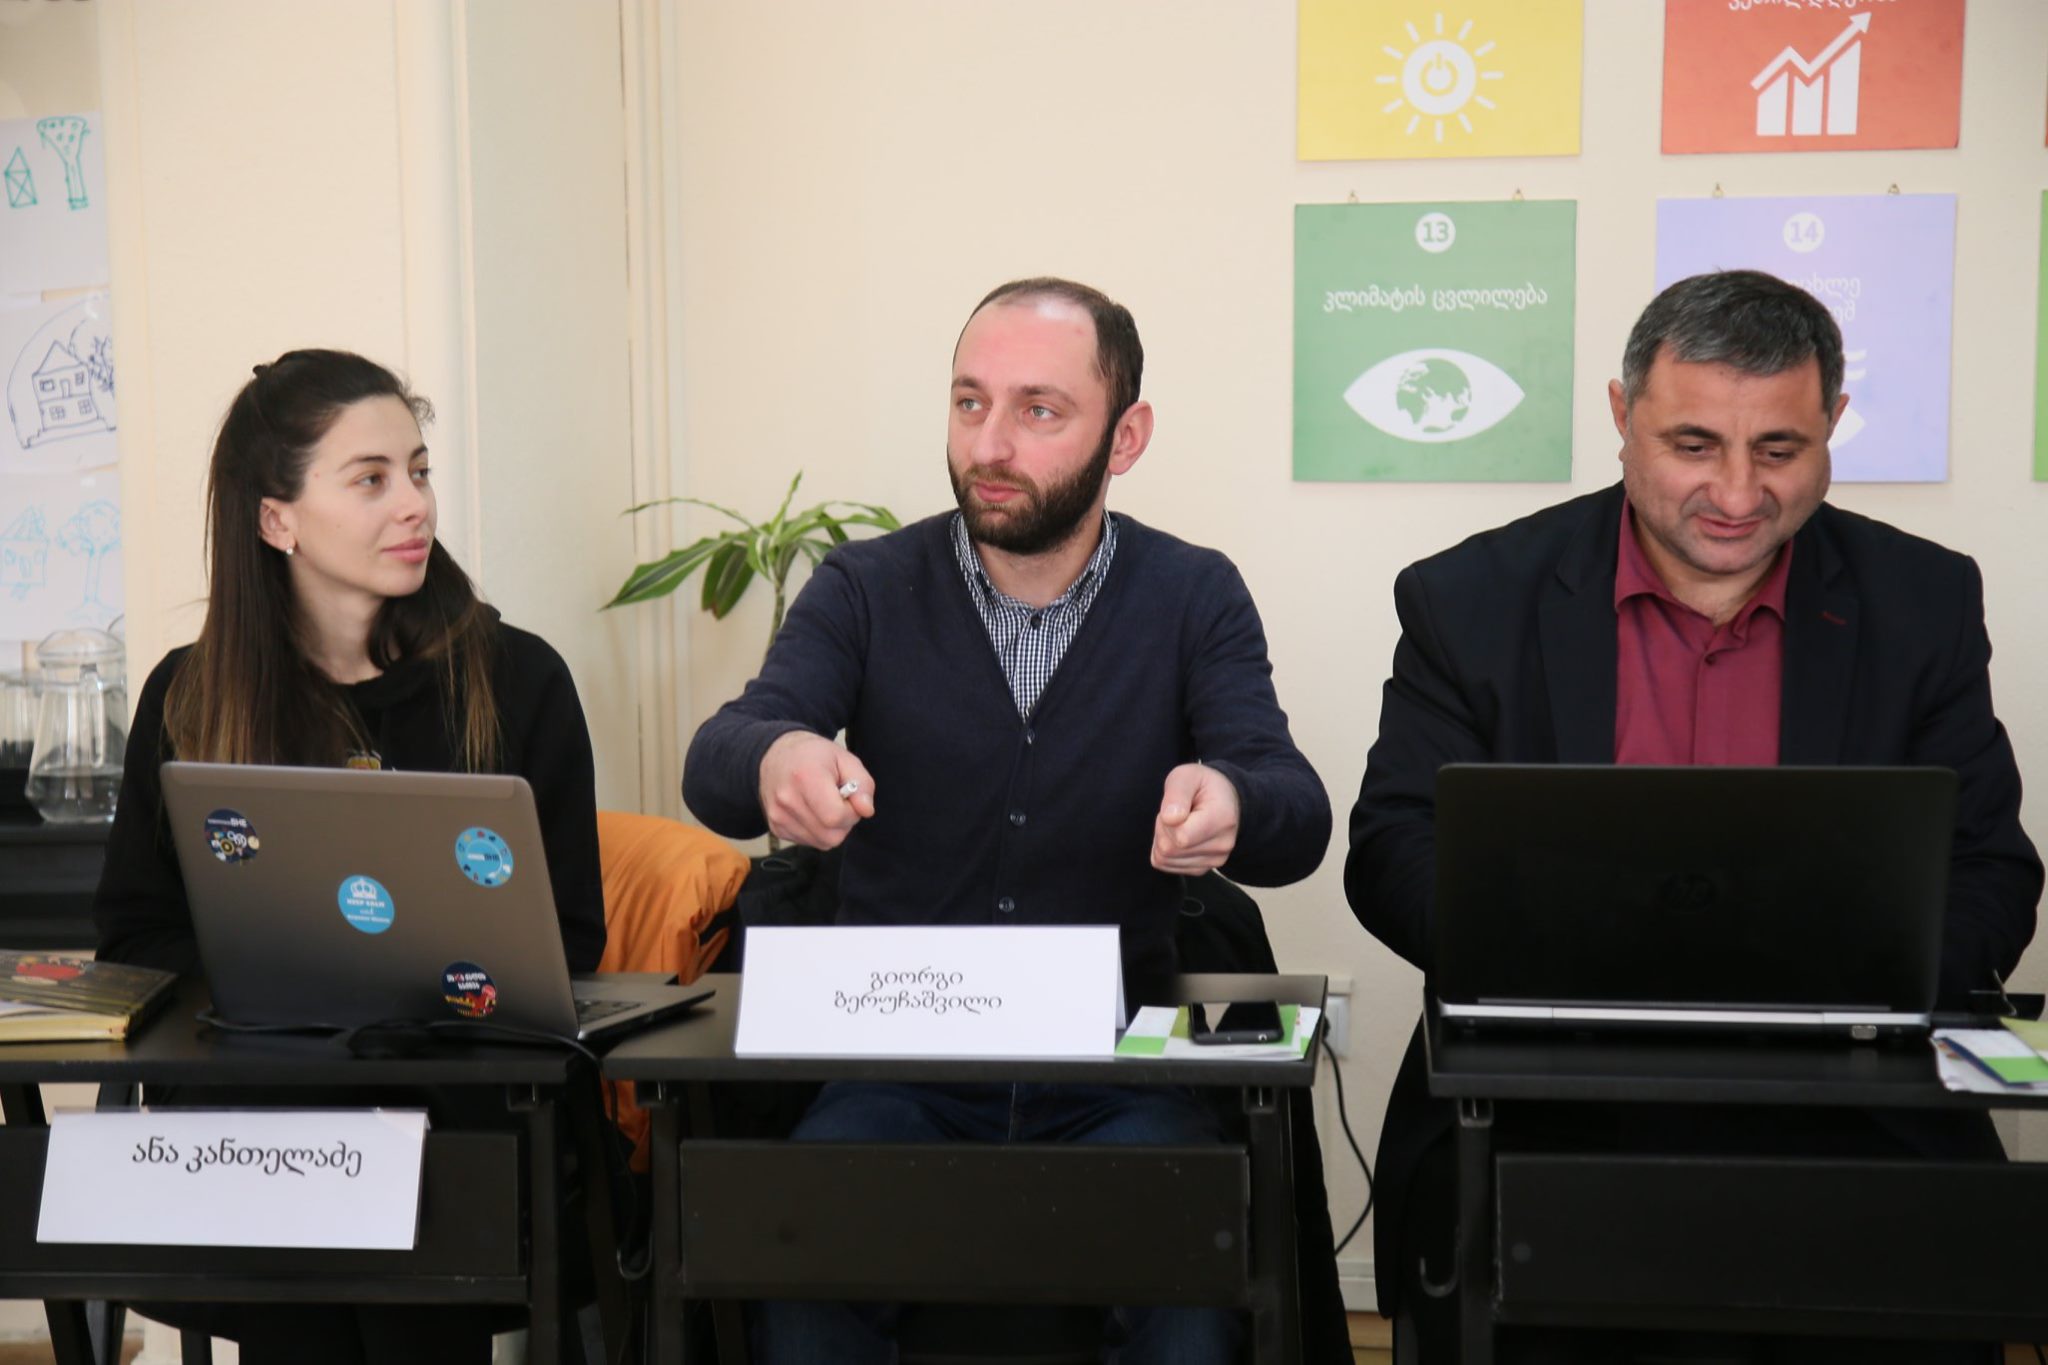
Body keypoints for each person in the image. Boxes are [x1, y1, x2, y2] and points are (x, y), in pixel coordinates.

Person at [1346, 269, 2042, 1364]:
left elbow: (1991, 869)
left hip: (1849, 1100)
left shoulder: (1923, 600)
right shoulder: (1469, 597)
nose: (1735, 491)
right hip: (1544, 1096)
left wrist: (1860, 979)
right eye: (1693, 445)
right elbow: (1392, 848)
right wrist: (1562, 963)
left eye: (1778, 449)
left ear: (1833, 425)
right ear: (1621, 417)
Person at [685, 277, 1332, 1363]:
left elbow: (1295, 809)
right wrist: (777, 756)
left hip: (1116, 1070)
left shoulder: (1191, 595)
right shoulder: (866, 587)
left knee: (1192, 1298)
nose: (990, 444)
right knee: (799, 1282)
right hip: (898, 1066)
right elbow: (722, 754)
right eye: (969, 402)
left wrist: (1232, 799)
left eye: (1039, 410)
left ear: (1126, 437)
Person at [94, 348, 606, 1365]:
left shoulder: (518, 678)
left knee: (403, 1176)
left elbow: (570, 938)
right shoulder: (188, 696)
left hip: (460, 1104)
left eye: (417, 470)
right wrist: (277, 995)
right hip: (265, 1105)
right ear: (275, 519)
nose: (414, 504)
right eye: (370, 479)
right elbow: (137, 935)